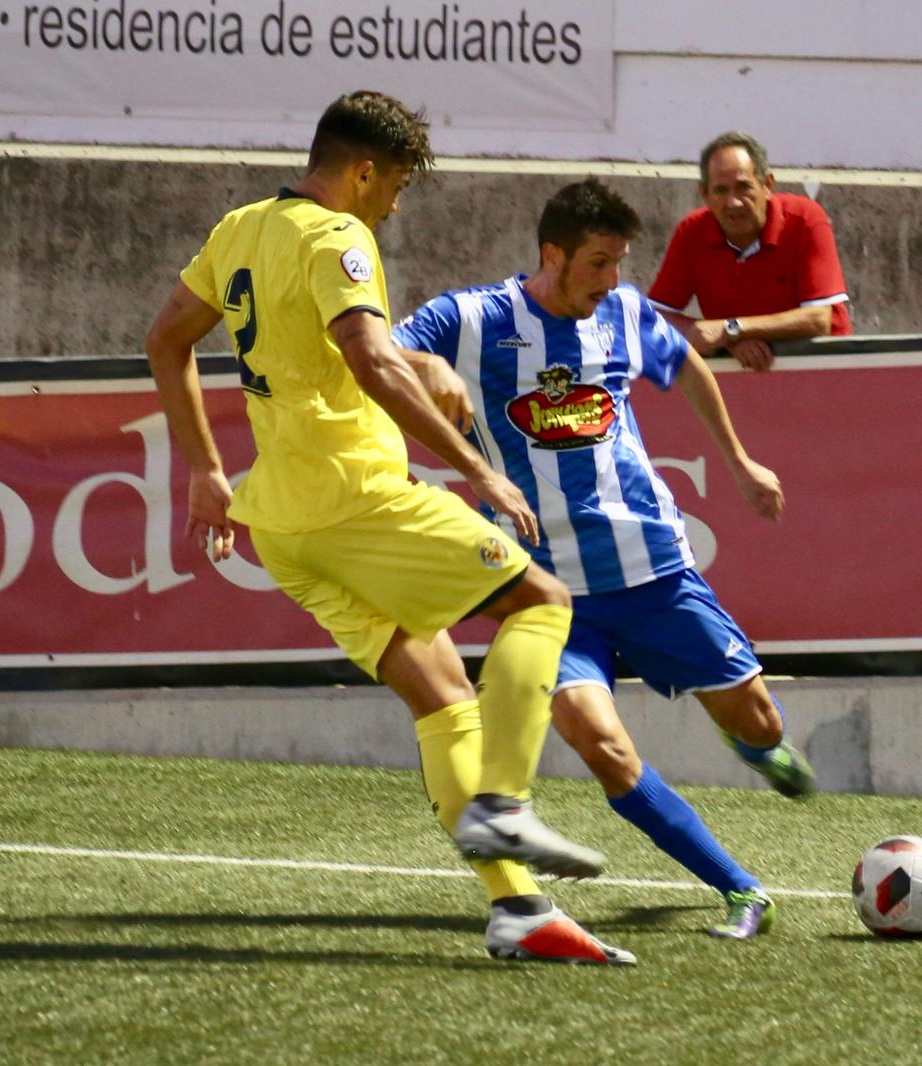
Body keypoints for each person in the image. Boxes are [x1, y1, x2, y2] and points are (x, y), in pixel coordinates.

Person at [143, 91, 633, 966]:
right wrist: (478, 467)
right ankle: (506, 805)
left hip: (282, 524)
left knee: (444, 697)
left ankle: (517, 912)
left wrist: (204, 468)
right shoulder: (340, 238)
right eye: (396, 184)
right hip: (353, 499)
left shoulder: (244, 227)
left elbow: (168, 339)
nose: (397, 203)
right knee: (540, 601)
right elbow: (368, 358)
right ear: (363, 171)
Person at [392, 178, 817, 941]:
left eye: (619, 262)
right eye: (597, 263)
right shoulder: (472, 318)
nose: (612, 280)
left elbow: (685, 363)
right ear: (551, 255)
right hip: (548, 595)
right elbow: (372, 354)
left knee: (760, 719)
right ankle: (742, 890)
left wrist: (741, 463)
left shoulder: (622, 312)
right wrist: (429, 370)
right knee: (604, 748)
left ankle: (751, 739)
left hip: (652, 570)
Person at [648, 131, 852, 372]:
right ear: (704, 194)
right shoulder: (692, 231)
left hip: (823, 373)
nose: (733, 202)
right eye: (721, 190)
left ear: (767, 185)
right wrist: (728, 341)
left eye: (743, 186)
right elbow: (653, 318)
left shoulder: (806, 219)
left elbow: (820, 319)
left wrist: (730, 329)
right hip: (742, 380)